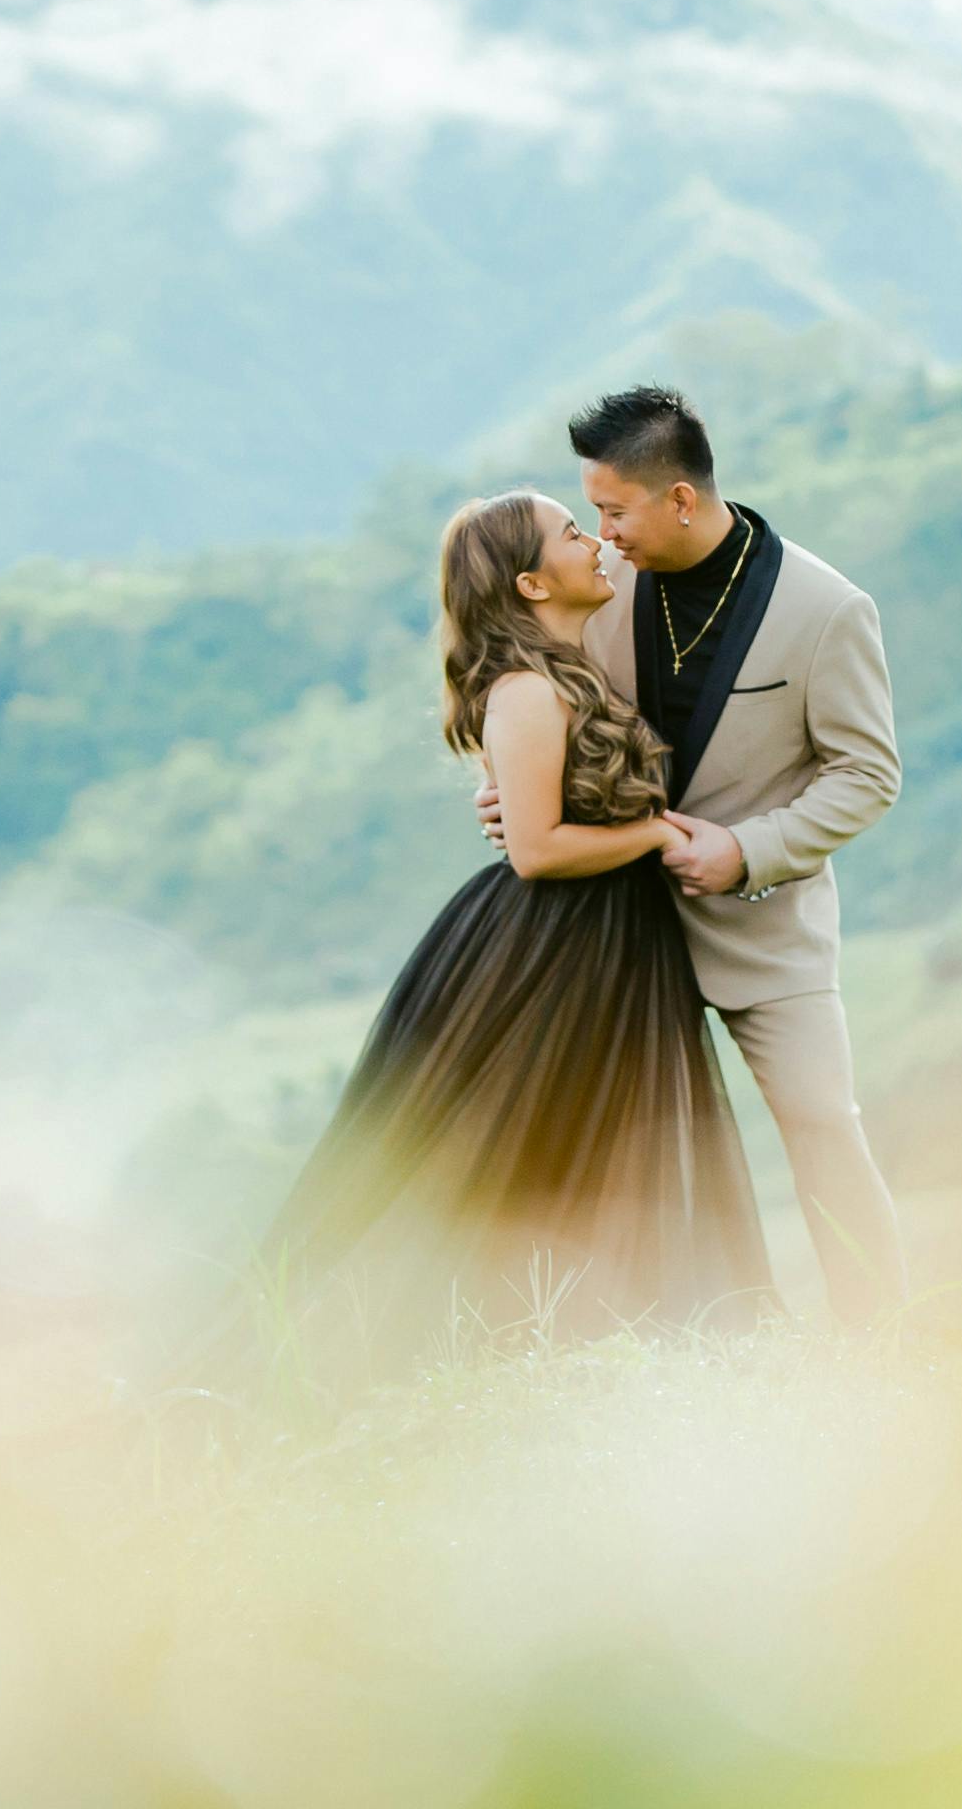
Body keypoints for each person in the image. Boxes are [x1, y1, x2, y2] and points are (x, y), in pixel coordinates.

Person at [253, 486, 772, 1349]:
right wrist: (654, 832)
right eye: (570, 533)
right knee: (517, 1150)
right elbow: (536, 850)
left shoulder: (570, 670)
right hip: (556, 945)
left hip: (614, 939)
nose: (593, 542)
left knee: (597, 1152)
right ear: (533, 584)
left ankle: (598, 1344)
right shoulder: (527, 691)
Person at [494, 383, 910, 1318]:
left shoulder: (828, 608)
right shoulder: (598, 585)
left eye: (614, 511)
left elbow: (867, 775)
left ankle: (883, 1338)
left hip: (768, 930)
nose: (602, 534)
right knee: (610, 1160)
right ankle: (632, 1351)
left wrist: (747, 851)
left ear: (680, 498)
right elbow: (546, 701)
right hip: (610, 925)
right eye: (592, 514)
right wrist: (516, 795)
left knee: (823, 1126)